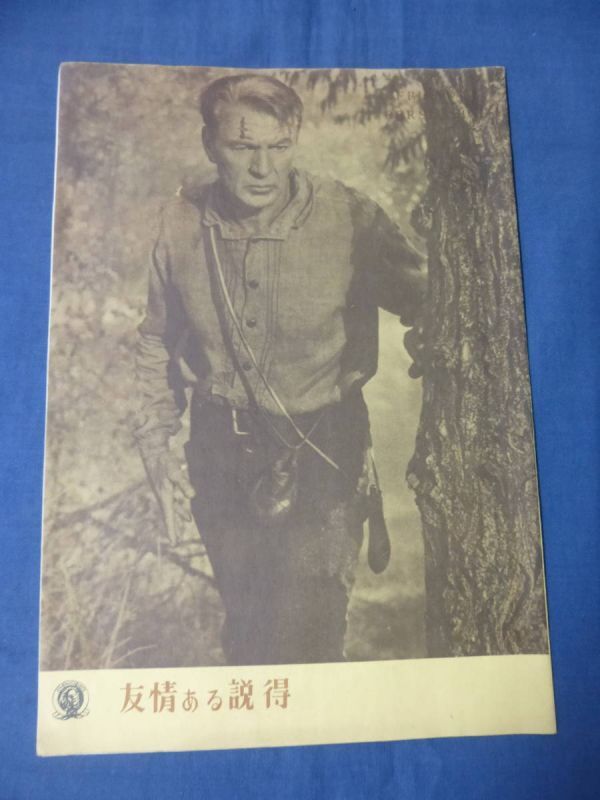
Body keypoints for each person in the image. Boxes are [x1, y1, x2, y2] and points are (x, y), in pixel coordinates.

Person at [134, 73, 427, 665]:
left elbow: (434, 304)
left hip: (323, 449)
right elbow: (156, 341)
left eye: (279, 146)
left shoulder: (348, 218)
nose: (263, 168)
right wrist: (153, 443)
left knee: (310, 638)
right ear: (210, 144)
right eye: (243, 147)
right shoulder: (179, 224)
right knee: (249, 633)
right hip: (220, 453)